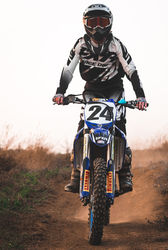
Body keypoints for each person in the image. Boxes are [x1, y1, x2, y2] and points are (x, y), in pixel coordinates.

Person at [53, 4, 148, 194]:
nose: (97, 27)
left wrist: (140, 96)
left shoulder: (116, 45)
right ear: (85, 24)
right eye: (92, 22)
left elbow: (131, 70)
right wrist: (60, 92)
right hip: (91, 91)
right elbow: (68, 69)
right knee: (83, 126)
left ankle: (124, 173)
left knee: (119, 125)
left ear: (110, 23)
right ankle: (76, 174)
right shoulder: (80, 44)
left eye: (102, 22)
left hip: (115, 91)